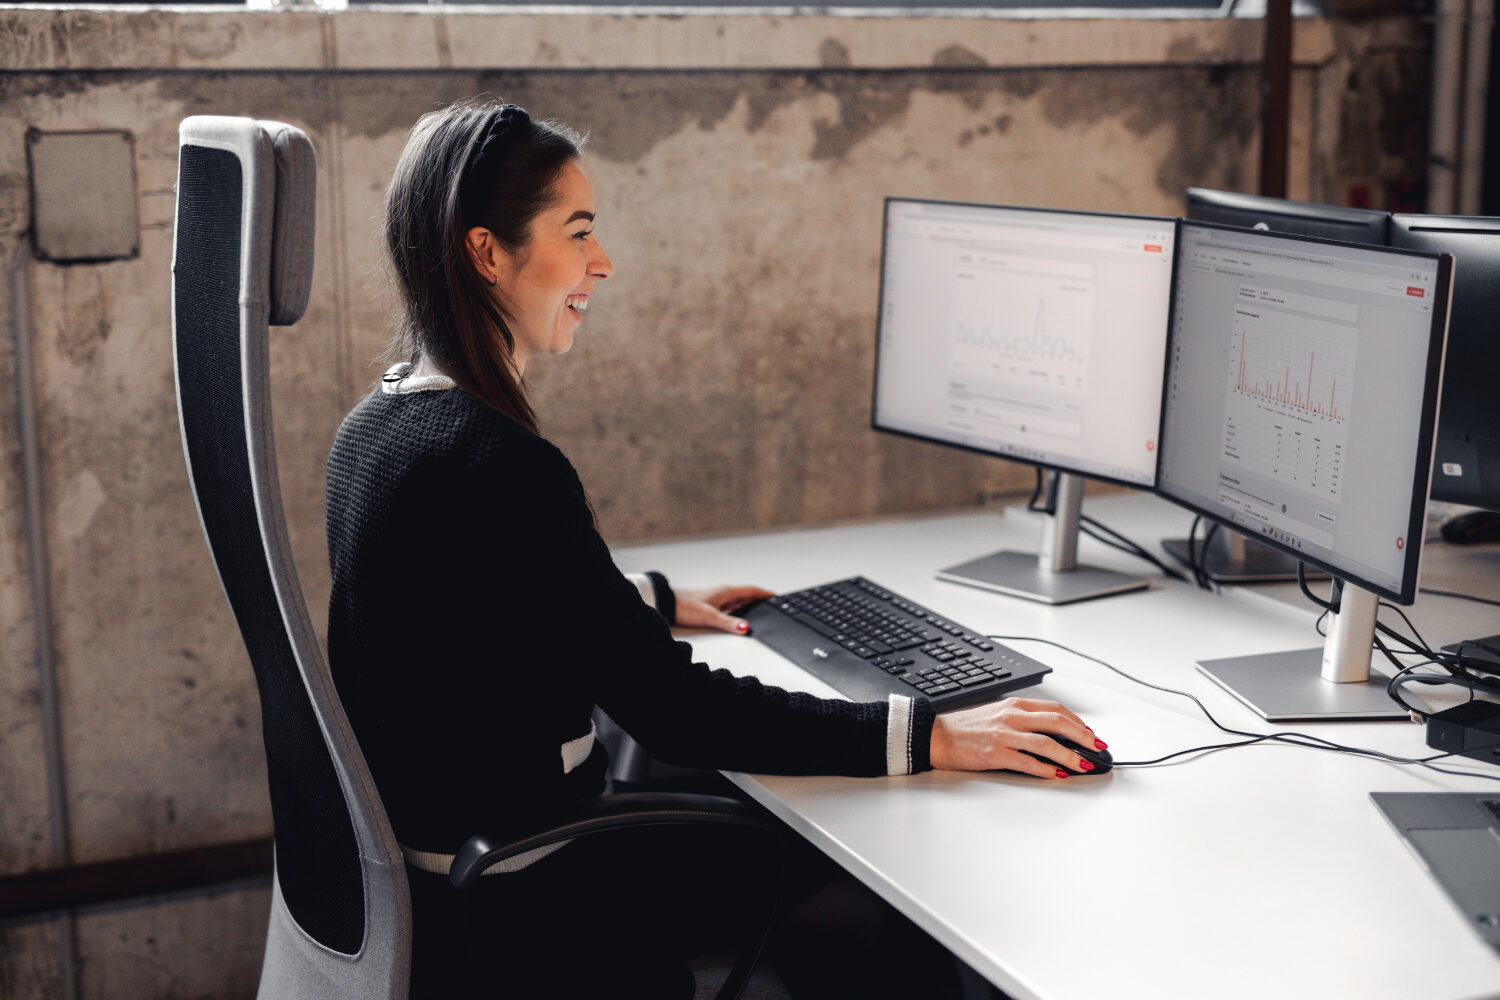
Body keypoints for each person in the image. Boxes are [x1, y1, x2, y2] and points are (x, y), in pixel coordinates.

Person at [324, 98, 1108, 998]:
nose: (603, 263)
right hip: (534, 901)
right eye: (577, 234)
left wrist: (643, 603)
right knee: (861, 869)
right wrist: (931, 734)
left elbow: (462, 603)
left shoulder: (376, 431)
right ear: (487, 252)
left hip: (440, 892)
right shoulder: (501, 463)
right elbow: (675, 712)